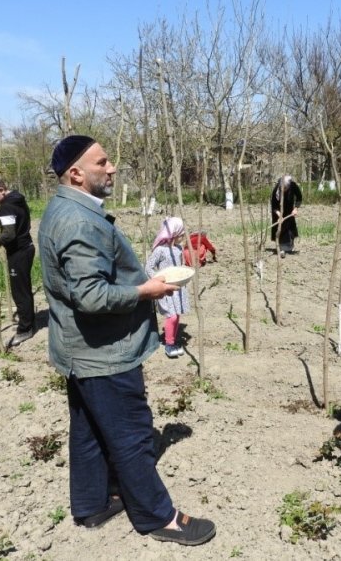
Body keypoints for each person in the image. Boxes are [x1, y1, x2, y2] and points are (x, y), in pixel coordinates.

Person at [38, 135, 216, 546]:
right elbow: (91, 296)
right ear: (77, 173)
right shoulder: (80, 221)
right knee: (132, 434)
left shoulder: (64, 208)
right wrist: (145, 291)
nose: (113, 167)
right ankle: (158, 517)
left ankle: (92, 503)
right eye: (103, 162)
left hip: (80, 350)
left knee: (88, 430)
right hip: (105, 353)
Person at [0, 174, 35, 348]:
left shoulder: (7, 207)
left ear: (1, 190)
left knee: (20, 292)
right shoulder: (15, 199)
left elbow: (9, 234)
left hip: (19, 252)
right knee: (23, 289)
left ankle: (26, 328)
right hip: (26, 248)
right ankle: (27, 320)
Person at [146, 217, 190, 359]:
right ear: (173, 234)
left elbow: (179, 265)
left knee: (177, 315)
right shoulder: (160, 250)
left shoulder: (178, 248)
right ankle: (169, 344)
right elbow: (148, 267)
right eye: (181, 234)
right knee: (171, 316)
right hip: (166, 289)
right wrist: (159, 279)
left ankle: (173, 340)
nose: (182, 237)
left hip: (177, 287)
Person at [270, 174, 302, 257]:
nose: (283, 190)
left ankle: (289, 246)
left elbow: (299, 197)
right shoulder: (276, 191)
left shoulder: (293, 185)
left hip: (289, 210)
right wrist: (279, 215)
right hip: (278, 211)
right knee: (280, 228)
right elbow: (273, 206)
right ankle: (281, 248)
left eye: (285, 188)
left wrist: (295, 208)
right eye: (282, 188)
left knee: (290, 228)